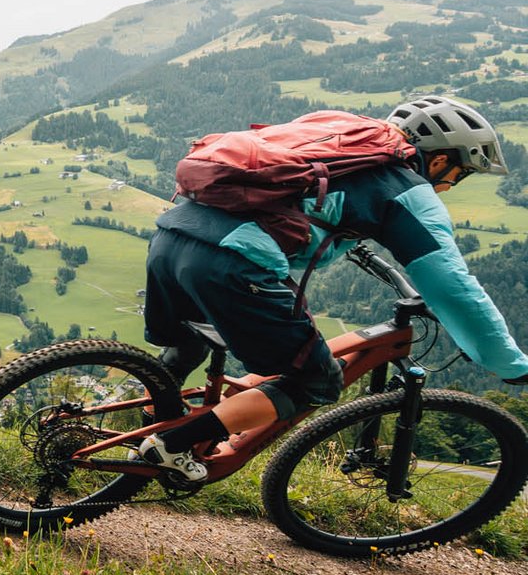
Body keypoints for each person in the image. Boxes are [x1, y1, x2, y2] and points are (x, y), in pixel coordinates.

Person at [138, 95, 528, 480]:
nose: (450, 185)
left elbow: (298, 195)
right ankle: (170, 446)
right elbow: (453, 287)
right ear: (440, 159)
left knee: (188, 341)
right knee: (316, 381)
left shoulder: (339, 132)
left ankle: (141, 442)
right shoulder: (407, 188)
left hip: (172, 235)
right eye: (460, 173)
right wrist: (509, 364)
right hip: (230, 263)